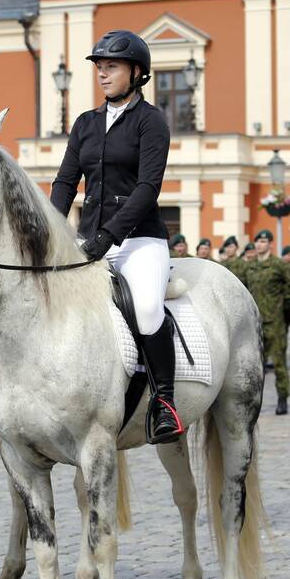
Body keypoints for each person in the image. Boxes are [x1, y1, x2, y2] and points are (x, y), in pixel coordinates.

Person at [49, 28, 182, 442]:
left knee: (144, 307)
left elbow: (148, 189)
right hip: (88, 241)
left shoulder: (151, 122)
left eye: (112, 67)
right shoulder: (86, 124)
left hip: (140, 240)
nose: (103, 75)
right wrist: (52, 232)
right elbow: (66, 182)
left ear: (137, 72)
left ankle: (164, 402)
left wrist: (110, 235)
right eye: (100, 68)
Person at [244, 230, 290, 414]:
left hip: (275, 322)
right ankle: (255, 400)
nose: (259, 245)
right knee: (255, 366)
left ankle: (283, 398)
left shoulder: (278, 265)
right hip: (255, 323)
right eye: (257, 241)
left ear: (270, 243)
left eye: (263, 241)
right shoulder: (250, 266)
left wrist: (280, 303)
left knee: (279, 363)